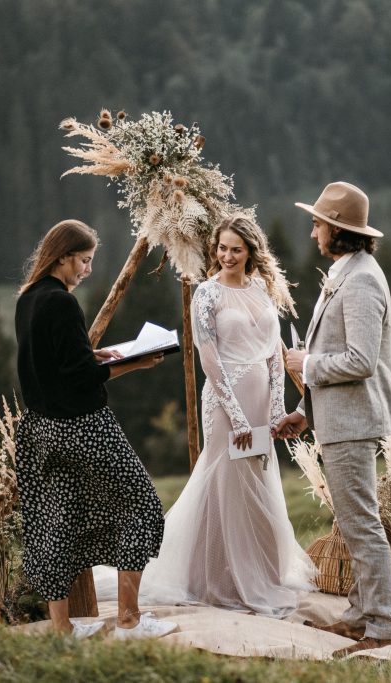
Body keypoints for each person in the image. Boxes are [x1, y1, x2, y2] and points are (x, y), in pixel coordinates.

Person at [139, 215, 317, 617]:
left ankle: (262, 573)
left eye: (236, 249)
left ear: (251, 251)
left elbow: (274, 355)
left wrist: (275, 409)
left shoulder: (261, 289)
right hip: (224, 402)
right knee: (222, 479)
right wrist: (237, 418)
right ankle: (214, 580)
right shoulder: (206, 294)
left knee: (258, 479)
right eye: (222, 248)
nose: (227, 256)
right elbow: (209, 359)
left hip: (261, 401)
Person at [14, 219, 177, 640]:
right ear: (64, 256)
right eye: (84, 261)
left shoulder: (27, 299)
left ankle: (63, 627)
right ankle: (128, 620)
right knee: (142, 506)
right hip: (84, 429)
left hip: (41, 431)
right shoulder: (62, 303)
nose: (87, 269)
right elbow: (81, 378)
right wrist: (135, 361)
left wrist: (94, 354)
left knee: (58, 521)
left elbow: (57, 369)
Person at [274, 182, 391, 657]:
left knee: (362, 524)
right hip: (337, 418)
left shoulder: (363, 278)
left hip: (353, 423)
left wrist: (303, 365)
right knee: (352, 524)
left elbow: (361, 360)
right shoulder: (348, 271)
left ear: (337, 229)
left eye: (317, 224)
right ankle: (357, 614)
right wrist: (305, 412)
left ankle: (380, 627)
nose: (312, 234)